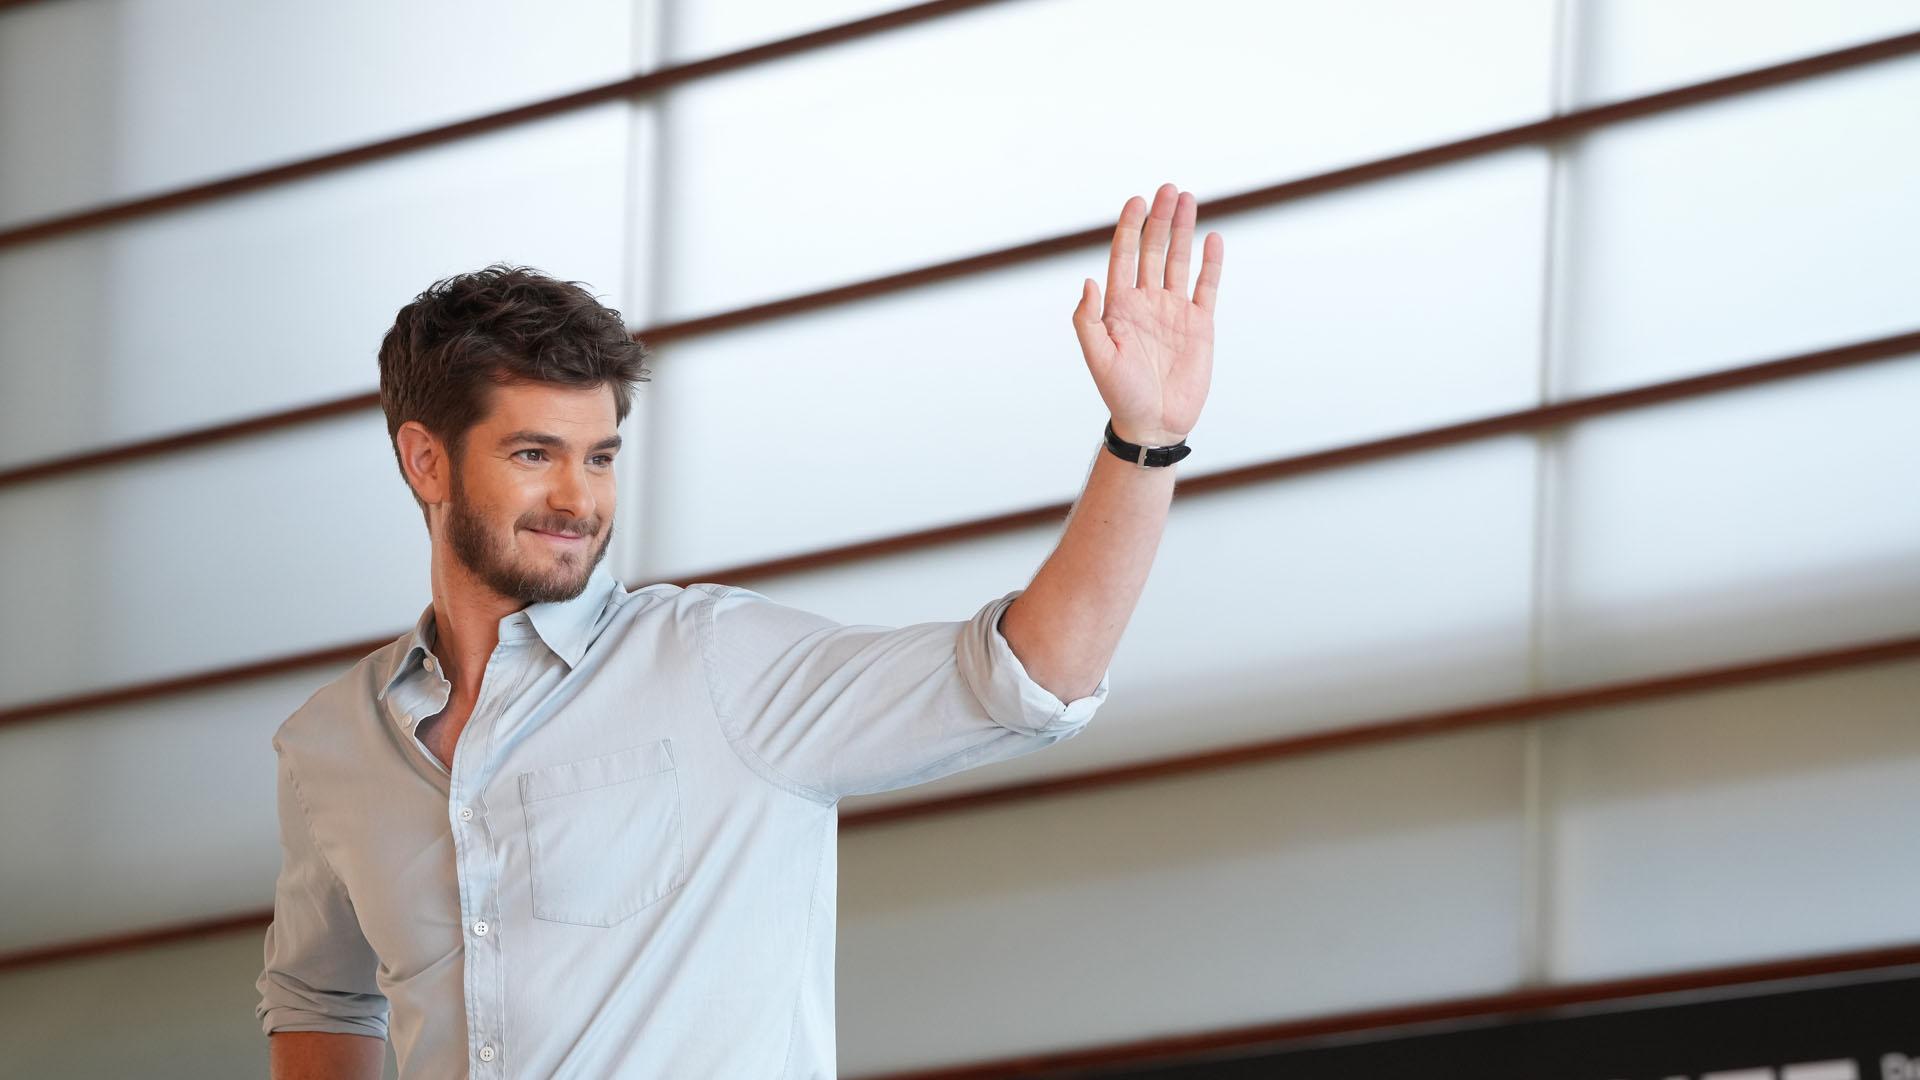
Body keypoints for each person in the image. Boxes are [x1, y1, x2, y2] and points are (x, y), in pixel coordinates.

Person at [255, 182, 1223, 1078]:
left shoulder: (718, 663)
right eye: (533, 453)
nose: (576, 498)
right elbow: (320, 998)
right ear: (426, 461)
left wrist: (1144, 445)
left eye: (599, 457)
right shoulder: (329, 744)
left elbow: (1028, 677)